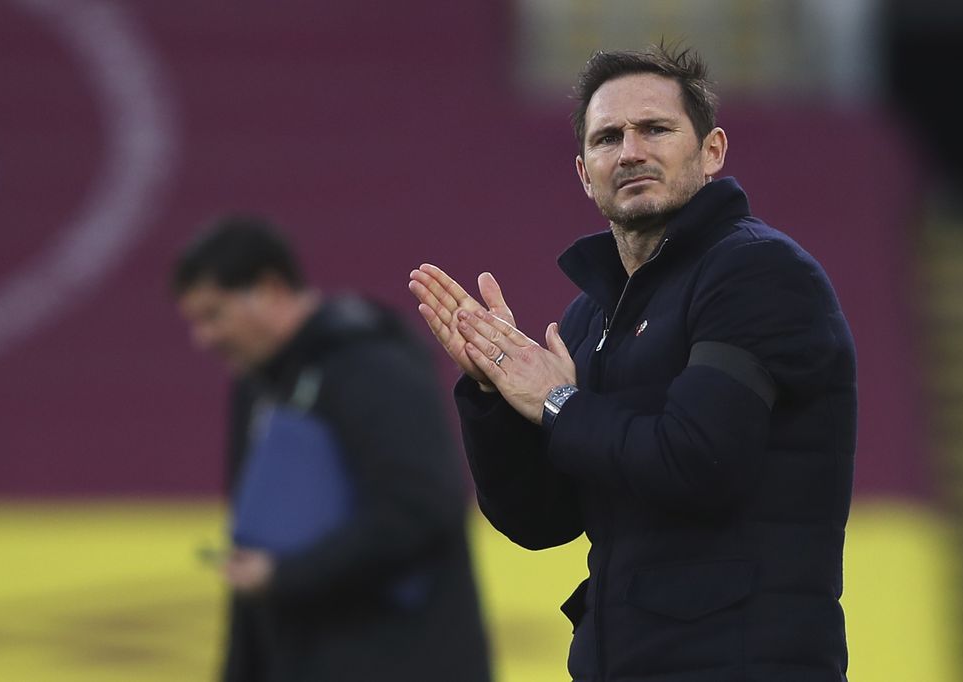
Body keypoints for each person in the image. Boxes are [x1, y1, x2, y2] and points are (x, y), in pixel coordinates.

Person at [408, 42, 856, 682]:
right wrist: (493, 395)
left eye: (655, 129)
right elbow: (542, 520)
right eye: (608, 137)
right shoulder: (592, 317)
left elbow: (700, 460)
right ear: (584, 172)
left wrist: (558, 404)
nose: (631, 151)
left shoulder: (758, 273)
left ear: (712, 151)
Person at [172, 215, 492, 682]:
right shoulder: (257, 388)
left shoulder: (372, 365)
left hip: (403, 660)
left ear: (270, 289)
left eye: (213, 314)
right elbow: (251, 546)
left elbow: (421, 507)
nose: (204, 339)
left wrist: (286, 577)